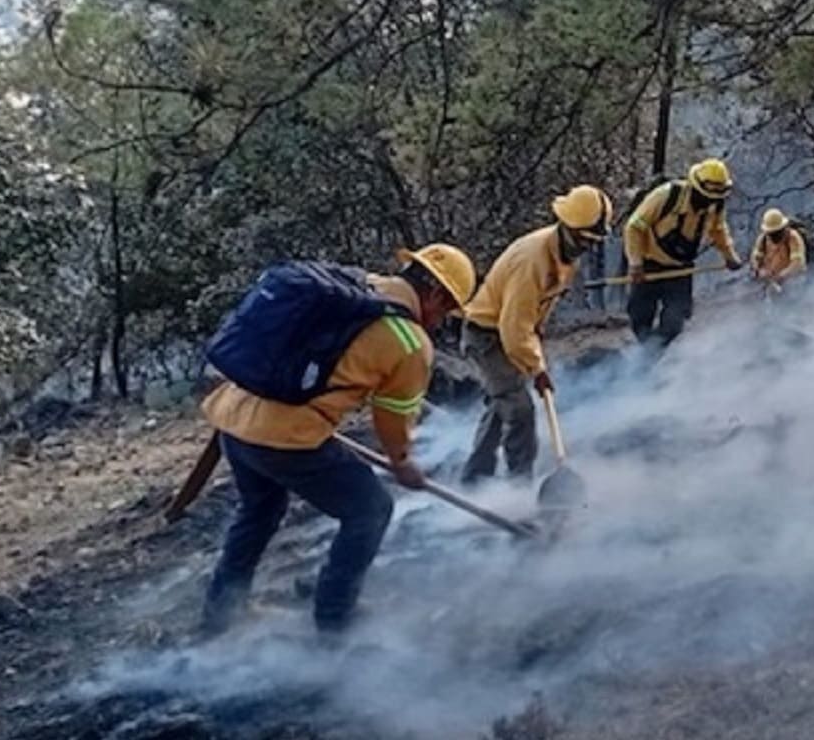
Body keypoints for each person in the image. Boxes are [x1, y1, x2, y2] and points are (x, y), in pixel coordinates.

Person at [199, 244, 477, 638]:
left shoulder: (356, 285)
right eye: (446, 310)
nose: (440, 321)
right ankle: (335, 620)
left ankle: (221, 612)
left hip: (232, 418)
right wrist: (402, 462)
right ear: (435, 295)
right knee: (370, 509)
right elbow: (392, 420)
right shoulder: (410, 341)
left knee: (259, 510)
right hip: (284, 439)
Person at [459, 185, 612, 482]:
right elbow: (513, 327)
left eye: (592, 241)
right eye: (584, 240)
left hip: (511, 333)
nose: (587, 247)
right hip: (488, 336)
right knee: (520, 410)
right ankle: (520, 485)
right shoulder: (532, 261)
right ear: (567, 227)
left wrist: (535, 343)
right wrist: (537, 368)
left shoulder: (564, 253)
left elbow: (533, 313)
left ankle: (474, 477)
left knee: (501, 403)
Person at [624, 158, 742, 348]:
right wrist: (635, 263)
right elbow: (635, 226)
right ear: (695, 187)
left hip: (680, 270)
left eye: (714, 198)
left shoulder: (715, 205)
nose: (709, 202)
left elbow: (718, 230)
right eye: (706, 197)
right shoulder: (666, 196)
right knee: (639, 316)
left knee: (675, 321)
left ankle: (650, 357)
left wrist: (730, 256)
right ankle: (646, 354)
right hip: (649, 265)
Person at [751, 208, 808, 293]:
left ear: (783, 228)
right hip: (773, 283)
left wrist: (781, 276)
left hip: (795, 283)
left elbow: (797, 263)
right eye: (771, 233)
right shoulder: (763, 239)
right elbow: (756, 258)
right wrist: (759, 270)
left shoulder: (793, 237)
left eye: (777, 232)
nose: (774, 236)